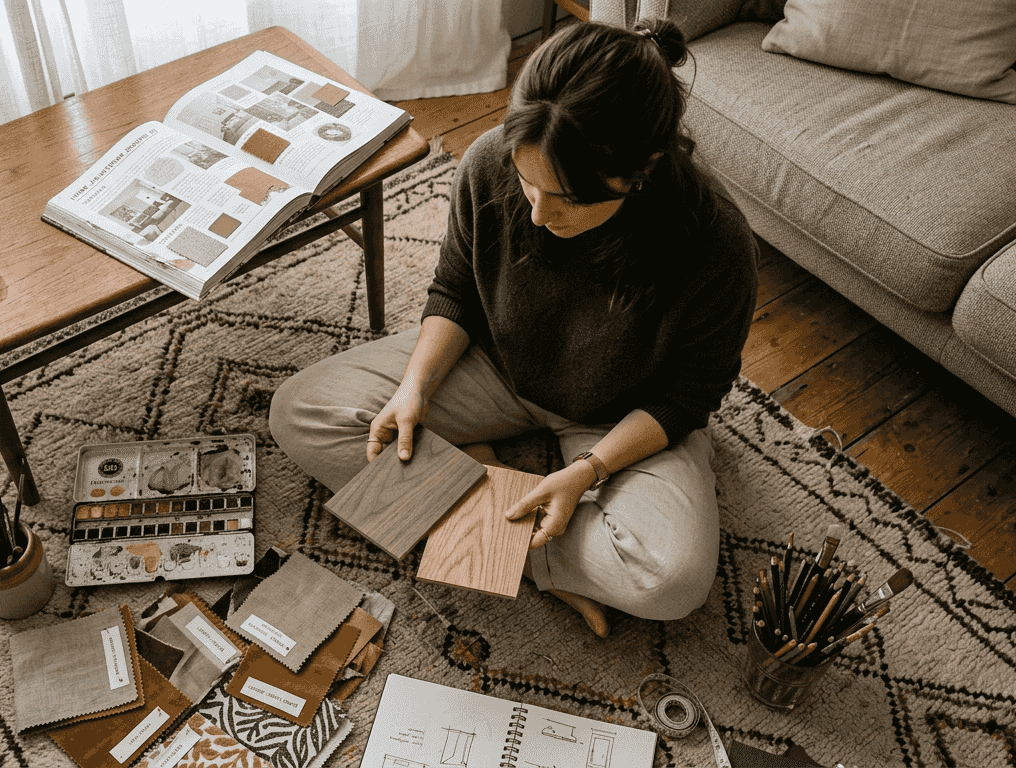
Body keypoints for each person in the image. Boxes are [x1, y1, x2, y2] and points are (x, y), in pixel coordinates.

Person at [269, 17, 758, 636]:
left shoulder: (715, 243)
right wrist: (415, 388)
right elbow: (456, 291)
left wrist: (589, 471)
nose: (539, 212)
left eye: (571, 199)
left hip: (622, 417)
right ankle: (535, 553)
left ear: (646, 167)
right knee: (300, 411)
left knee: (670, 579)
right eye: (527, 183)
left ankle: (470, 500)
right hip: (496, 366)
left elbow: (689, 394)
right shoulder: (487, 163)